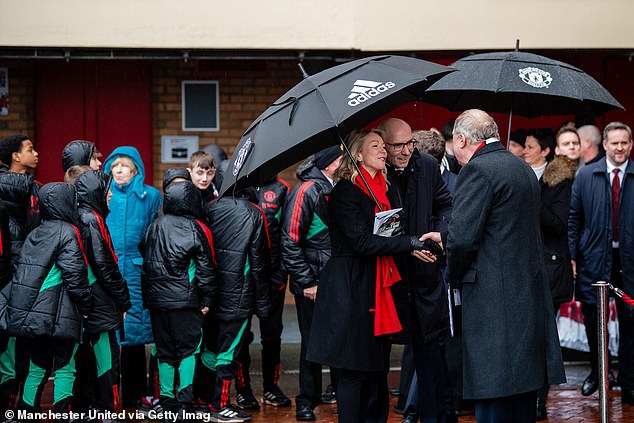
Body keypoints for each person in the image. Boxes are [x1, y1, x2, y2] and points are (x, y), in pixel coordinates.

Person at [442, 109, 566, 423]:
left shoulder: (477, 170)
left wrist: (451, 274)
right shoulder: (522, 168)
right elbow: (501, 228)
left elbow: (463, 239)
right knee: (521, 397)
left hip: (491, 300)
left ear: (461, 139)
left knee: (493, 396)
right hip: (526, 294)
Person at [306, 129, 436, 423]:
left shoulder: (388, 188)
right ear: (358, 155)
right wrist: (409, 243)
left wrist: (411, 247)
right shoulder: (343, 192)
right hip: (351, 287)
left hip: (381, 284)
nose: (382, 150)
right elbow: (362, 242)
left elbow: (392, 232)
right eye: (374, 146)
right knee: (354, 369)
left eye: (382, 145)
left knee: (377, 367)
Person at [379, 118, 454, 423]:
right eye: (398, 144)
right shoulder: (373, 172)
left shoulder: (424, 164)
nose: (406, 150)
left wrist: (439, 236)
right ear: (383, 145)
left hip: (425, 277)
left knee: (431, 357)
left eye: (410, 142)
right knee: (379, 360)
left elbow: (445, 205)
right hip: (387, 278)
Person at [4, 182, 94, 418]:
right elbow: (75, 274)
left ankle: (25, 414)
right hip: (62, 314)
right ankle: (62, 414)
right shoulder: (69, 231)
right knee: (66, 367)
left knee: (36, 368)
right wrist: (86, 307)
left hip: (31, 315)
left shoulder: (36, 231)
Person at [568, 121, 634, 405]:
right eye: (614, 143)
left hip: (630, 260)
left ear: (630, 145)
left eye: (624, 143)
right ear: (604, 145)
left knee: (631, 322)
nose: (619, 148)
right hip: (594, 258)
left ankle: (630, 381)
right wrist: (573, 255)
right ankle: (598, 373)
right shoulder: (586, 175)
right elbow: (574, 219)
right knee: (595, 320)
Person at [140, 176, 216, 418]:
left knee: (164, 351)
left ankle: (167, 400)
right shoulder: (195, 227)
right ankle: (184, 402)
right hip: (186, 302)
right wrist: (206, 300)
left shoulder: (154, 225)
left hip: (158, 302)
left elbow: (145, 266)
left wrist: (148, 299)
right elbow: (205, 269)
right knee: (188, 351)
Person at [194, 188, 270, 423]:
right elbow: (259, 263)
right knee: (229, 352)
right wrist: (263, 305)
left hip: (210, 294)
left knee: (209, 349)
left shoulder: (208, 209)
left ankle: (202, 401)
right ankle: (221, 404)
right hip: (239, 295)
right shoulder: (254, 213)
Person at [281, 145, 342, 421]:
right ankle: (306, 400)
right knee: (312, 344)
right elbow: (290, 241)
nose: (346, 162)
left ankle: (339, 391)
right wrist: (307, 282)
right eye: (342, 158)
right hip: (314, 284)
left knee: (340, 340)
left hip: (337, 280)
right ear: (329, 164)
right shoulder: (306, 191)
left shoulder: (336, 187)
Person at [66, 166, 131, 417]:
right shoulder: (92, 220)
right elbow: (106, 267)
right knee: (106, 362)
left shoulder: (82, 216)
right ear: (95, 192)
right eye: (107, 190)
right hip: (100, 304)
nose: (111, 195)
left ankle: (87, 408)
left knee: (85, 362)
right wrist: (124, 301)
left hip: (90, 303)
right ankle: (110, 411)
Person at [102, 147, 162, 411]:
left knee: (135, 336)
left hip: (137, 273)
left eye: (124, 166)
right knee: (110, 335)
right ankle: (109, 397)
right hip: (110, 271)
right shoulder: (105, 194)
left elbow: (154, 234)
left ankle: (136, 396)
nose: (118, 170)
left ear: (136, 168)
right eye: (114, 166)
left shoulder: (151, 196)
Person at [234, 176, 293, 410]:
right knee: (241, 337)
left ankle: (271, 387)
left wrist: (280, 275)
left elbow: (288, 234)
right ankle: (243, 390)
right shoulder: (237, 185)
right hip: (244, 278)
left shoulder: (282, 188)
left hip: (272, 278)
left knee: (271, 336)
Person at [530, 129, 577, 419]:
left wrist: (533, 198)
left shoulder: (560, 180)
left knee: (543, 335)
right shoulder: (523, 175)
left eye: (530, 146)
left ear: (545, 151)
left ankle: (539, 398)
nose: (524, 150)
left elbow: (558, 225)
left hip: (551, 268)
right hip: (526, 266)